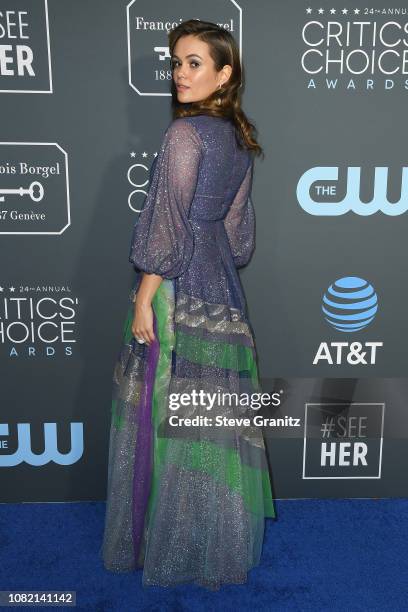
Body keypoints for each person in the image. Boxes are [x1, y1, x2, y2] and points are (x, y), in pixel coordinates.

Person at [101, 18, 275, 591]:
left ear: (224, 74)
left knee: (165, 409)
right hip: (220, 284)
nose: (180, 73)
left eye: (194, 62)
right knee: (206, 414)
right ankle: (210, 538)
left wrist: (144, 301)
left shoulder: (184, 136)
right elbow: (238, 237)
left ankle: (171, 542)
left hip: (176, 287)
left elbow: (167, 231)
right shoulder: (239, 142)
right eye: (176, 62)